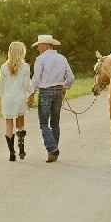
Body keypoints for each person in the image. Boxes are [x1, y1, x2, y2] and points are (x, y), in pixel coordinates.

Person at [28, 33, 74, 163]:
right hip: (58, 92)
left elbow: (36, 79)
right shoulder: (62, 58)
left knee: (44, 123)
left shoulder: (40, 59)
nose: (38, 48)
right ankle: (53, 154)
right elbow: (71, 78)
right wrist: (65, 87)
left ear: (45, 45)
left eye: (39, 46)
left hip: (45, 92)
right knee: (55, 123)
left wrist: (30, 94)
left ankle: (52, 149)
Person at [0, 41, 31, 161]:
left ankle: (12, 153)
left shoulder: (3, 67)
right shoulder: (25, 67)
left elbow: (0, 86)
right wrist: (31, 95)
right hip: (20, 99)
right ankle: (21, 149)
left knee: (8, 124)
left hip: (7, 100)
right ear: (22, 52)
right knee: (20, 123)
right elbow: (27, 85)